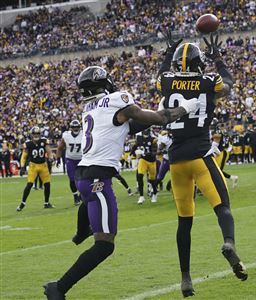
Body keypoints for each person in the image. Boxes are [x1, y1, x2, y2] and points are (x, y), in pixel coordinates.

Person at [43, 65, 200, 299]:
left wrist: (158, 107)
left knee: (88, 200)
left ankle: (80, 232)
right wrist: (187, 107)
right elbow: (159, 119)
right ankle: (59, 288)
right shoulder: (117, 99)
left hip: (83, 176)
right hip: (98, 177)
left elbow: (132, 124)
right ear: (105, 83)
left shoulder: (90, 108)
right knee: (105, 245)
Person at [156, 31, 248, 297]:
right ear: (199, 64)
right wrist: (218, 58)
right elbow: (228, 84)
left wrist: (167, 54)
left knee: (184, 221)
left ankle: (186, 278)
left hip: (175, 162)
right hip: (201, 154)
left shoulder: (167, 80)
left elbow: (161, 75)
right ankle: (229, 243)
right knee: (223, 207)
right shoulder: (208, 80)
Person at [16, 126, 54, 211]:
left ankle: (46, 203)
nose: (36, 135)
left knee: (47, 185)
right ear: (31, 134)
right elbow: (24, 156)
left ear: (39, 134)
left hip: (43, 165)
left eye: (37, 133)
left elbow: (48, 150)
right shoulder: (28, 143)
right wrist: (22, 167)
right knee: (29, 184)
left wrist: (51, 157)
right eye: (34, 134)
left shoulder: (44, 141)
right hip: (33, 166)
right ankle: (22, 203)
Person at [56, 119, 83, 205]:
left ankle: (81, 194)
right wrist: (58, 159)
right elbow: (60, 148)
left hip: (82, 159)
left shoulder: (84, 134)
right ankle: (75, 196)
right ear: (71, 128)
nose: (75, 129)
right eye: (74, 127)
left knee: (83, 179)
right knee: (72, 179)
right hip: (70, 159)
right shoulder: (66, 136)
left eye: (77, 127)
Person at [136, 128, 158, 204]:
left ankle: (155, 193)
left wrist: (146, 153)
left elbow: (155, 151)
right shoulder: (139, 138)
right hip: (143, 160)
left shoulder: (153, 139)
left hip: (151, 161)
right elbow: (136, 146)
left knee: (152, 180)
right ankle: (141, 196)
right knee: (139, 176)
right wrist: (134, 152)